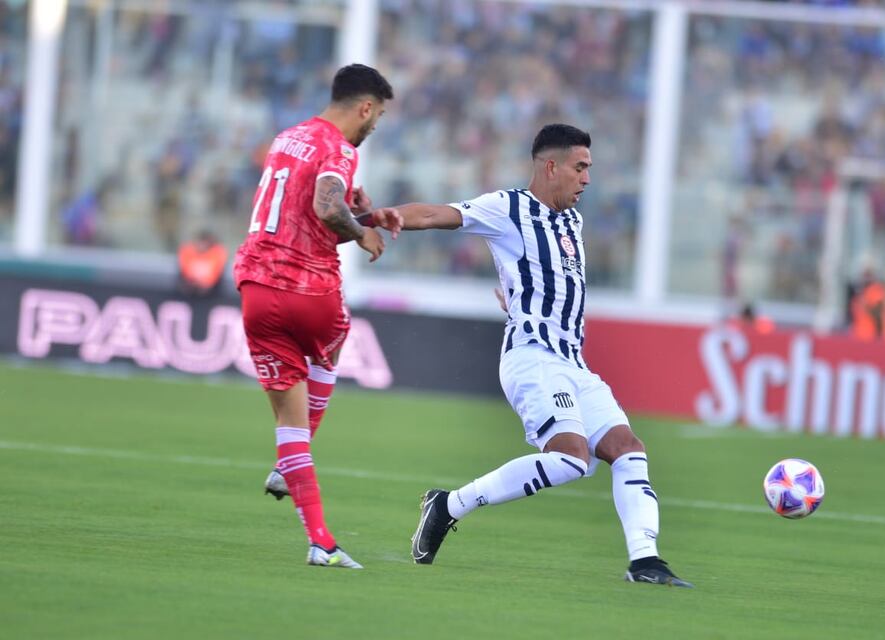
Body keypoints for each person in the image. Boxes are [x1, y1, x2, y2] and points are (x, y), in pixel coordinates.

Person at [395, 123, 693, 587]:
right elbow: (437, 214)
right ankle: (450, 505)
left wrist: (516, 295)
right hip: (532, 357)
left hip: (573, 362)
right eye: (580, 167)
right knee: (571, 458)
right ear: (551, 166)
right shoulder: (507, 207)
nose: (587, 179)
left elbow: (544, 277)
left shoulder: (573, 222)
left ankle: (645, 562)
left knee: (628, 450)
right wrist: (379, 217)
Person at [233, 63, 402, 569]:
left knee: (288, 425)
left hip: (255, 288)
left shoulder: (287, 139)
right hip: (309, 289)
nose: (375, 126)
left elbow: (301, 213)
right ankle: (292, 468)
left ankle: (321, 542)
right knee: (334, 340)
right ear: (365, 108)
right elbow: (328, 209)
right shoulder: (340, 149)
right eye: (378, 117)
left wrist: (362, 212)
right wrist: (363, 230)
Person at [177, 230, 228, 297]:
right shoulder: (188, 252)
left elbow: (215, 274)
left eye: (205, 243)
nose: (202, 245)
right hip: (189, 290)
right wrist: (192, 283)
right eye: (201, 242)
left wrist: (205, 284)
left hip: (211, 292)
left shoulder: (217, 253)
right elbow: (184, 271)